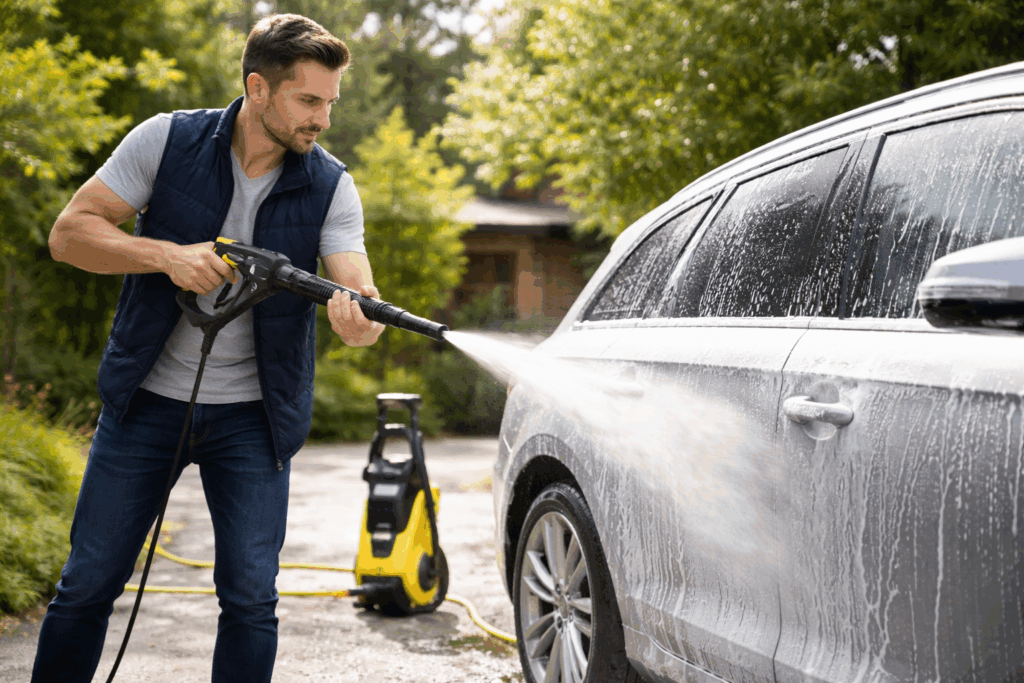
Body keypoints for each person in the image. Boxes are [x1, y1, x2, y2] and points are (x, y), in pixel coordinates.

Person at [32, 13, 382, 683]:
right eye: (309, 100)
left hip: (255, 421)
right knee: (87, 584)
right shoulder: (166, 141)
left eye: (331, 102)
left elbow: (356, 283)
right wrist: (167, 256)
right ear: (258, 88)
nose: (323, 119)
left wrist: (360, 319)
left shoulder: (332, 184)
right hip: (144, 405)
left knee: (251, 600)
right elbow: (68, 235)